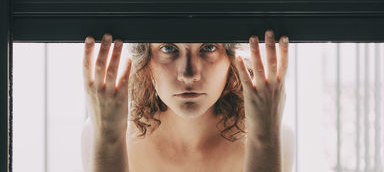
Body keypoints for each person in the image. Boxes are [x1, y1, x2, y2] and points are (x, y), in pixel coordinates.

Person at [81, 30, 295, 172]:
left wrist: (264, 135)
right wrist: (108, 139)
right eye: (169, 48)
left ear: (231, 58)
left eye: (208, 47)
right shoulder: (101, 133)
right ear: (145, 61)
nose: (189, 73)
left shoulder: (277, 136)